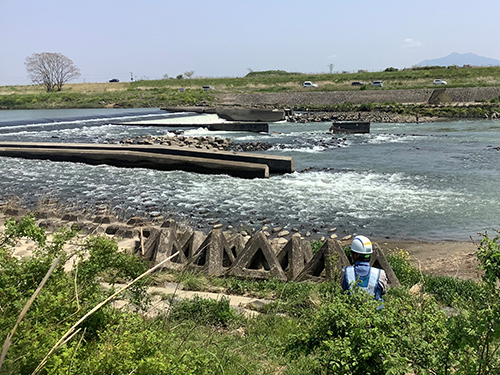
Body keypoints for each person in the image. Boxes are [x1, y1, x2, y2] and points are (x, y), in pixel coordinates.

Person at [341, 235, 388, 301]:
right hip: (376, 310)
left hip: (351, 309)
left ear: (355, 255)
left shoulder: (345, 272)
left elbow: (344, 287)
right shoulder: (380, 273)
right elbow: (383, 291)